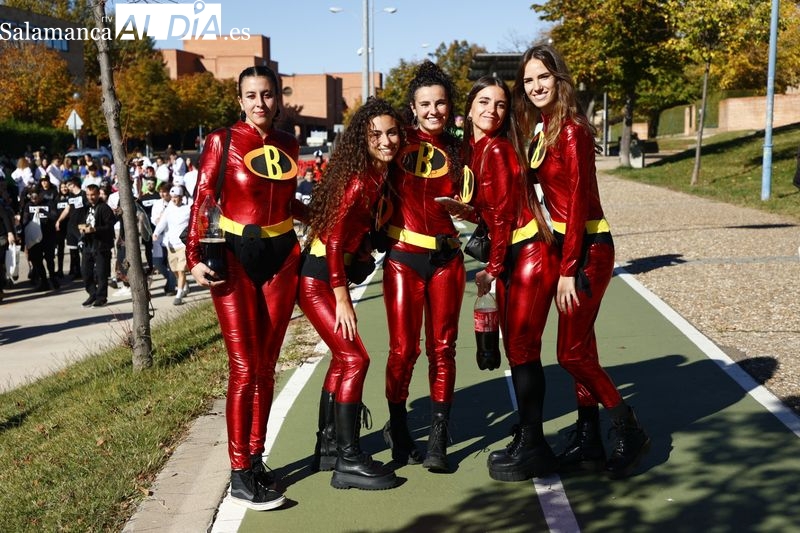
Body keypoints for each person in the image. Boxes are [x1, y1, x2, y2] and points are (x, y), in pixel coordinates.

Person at [512, 44, 650, 479]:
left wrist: (569, 268)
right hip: (566, 249)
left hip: (588, 249)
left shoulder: (571, 130)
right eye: (529, 79)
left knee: (570, 353)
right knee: (583, 344)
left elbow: (575, 204)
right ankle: (588, 436)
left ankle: (628, 427)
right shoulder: (542, 130)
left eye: (543, 78)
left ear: (559, 81)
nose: (535, 86)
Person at [186, 65, 303, 511]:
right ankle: (238, 473)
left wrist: (332, 218)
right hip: (233, 256)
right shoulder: (223, 140)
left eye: (268, 94)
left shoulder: (289, 144)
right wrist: (195, 256)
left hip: (283, 256)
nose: (260, 103)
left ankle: (255, 459)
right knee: (243, 365)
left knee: (268, 365)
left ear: (279, 97)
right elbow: (204, 197)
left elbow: (290, 202)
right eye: (251, 95)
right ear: (240, 99)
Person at [450, 75, 561, 482]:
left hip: (529, 251)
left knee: (522, 349)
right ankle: (530, 435)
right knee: (519, 350)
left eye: (499, 104)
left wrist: (491, 270)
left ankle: (534, 445)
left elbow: (502, 216)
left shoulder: (495, 148)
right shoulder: (478, 150)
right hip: (518, 252)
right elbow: (493, 209)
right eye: (483, 102)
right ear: (470, 108)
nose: (491, 111)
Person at [299, 97, 402, 490]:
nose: (386, 140)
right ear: (363, 138)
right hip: (319, 278)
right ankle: (348, 460)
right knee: (355, 359)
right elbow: (337, 236)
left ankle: (327, 448)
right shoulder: (360, 178)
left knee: (342, 362)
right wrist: (342, 295)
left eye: (392, 132)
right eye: (375, 134)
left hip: (327, 274)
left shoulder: (380, 174)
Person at [381, 60, 465, 473]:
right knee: (403, 350)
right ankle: (397, 427)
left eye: (441, 103)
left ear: (450, 106)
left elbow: (484, 206)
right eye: (425, 104)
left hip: (448, 258)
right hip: (403, 259)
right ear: (412, 108)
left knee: (443, 348)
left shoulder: (461, 148)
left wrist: (469, 211)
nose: (433, 111)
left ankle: (438, 436)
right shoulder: (394, 143)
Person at [75, 183, 116, 307]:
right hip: (88, 244)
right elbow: (79, 221)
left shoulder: (104, 208)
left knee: (101, 273)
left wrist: (95, 229)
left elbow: (109, 226)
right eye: (88, 194)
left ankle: (101, 297)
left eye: (93, 194)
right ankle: (92, 293)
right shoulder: (86, 208)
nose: (90, 197)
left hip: (101, 244)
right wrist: (82, 229)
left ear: (98, 194)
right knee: (86, 271)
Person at [153, 185, 190, 305]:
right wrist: (156, 233)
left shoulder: (188, 209)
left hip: (183, 244)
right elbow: (162, 223)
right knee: (175, 270)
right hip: (171, 245)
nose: (174, 199)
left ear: (181, 197)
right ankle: (184, 285)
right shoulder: (169, 210)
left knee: (181, 270)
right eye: (172, 197)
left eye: (176, 197)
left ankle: (179, 295)